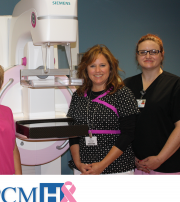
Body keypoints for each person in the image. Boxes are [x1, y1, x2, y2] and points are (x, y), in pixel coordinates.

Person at [68, 44, 139, 175]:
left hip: (116, 168)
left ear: (111, 67)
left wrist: (102, 165)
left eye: (102, 65)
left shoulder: (122, 94)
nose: (97, 70)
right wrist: (78, 163)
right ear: (86, 69)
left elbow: (128, 134)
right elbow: (73, 133)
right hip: (83, 168)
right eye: (92, 66)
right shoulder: (78, 96)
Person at [124, 34, 180, 175]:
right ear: (137, 56)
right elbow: (124, 126)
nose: (148, 55)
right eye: (143, 52)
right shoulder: (127, 85)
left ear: (162, 54)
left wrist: (159, 159)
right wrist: (132, 156)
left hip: (167, 167)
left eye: (153, 51)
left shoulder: (175, 84)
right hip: (135, 166)